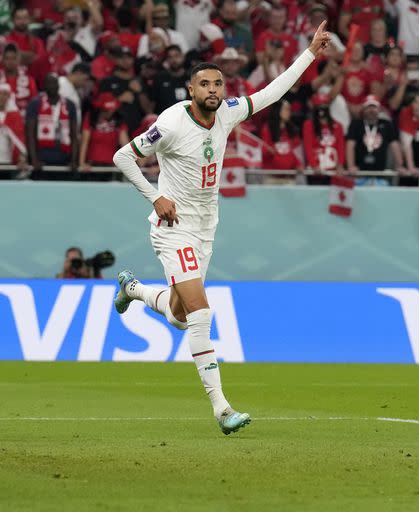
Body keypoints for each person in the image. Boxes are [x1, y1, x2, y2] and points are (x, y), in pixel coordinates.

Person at [111, 22, 331, 435]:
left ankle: (133, 289)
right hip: (172, 225)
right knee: (201, 311)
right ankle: (222, 409)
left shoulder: (227, 112)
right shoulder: (172, 123)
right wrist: (154, 197)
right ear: (190, 91)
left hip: (206, 226)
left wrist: (310, 54)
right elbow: (124, 156)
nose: (213, 90)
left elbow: (272, 93)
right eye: (205, 84)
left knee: (179, 316)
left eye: (218, 83)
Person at [25, 73, 79, 172]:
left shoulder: (69, 105)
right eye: (49, 83)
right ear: (44, 86)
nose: (52, 86)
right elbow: (30, 135)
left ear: (58, 85)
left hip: (64, 158)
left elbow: (74, 134)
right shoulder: (35, 104)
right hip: (42, 158)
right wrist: (33, 160)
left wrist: (74, 160)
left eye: (54, 83)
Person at [346, 95, 404, 178]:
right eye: (368, 107)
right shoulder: (356, 124)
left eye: (374, 107)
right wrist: (350, 166)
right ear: (363, 109)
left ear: (379, 109)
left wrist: (400, 165)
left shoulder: (386, 124)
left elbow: (394, 145)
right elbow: (350, 145)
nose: (371, 110)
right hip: (359, 174)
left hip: (381, 174)